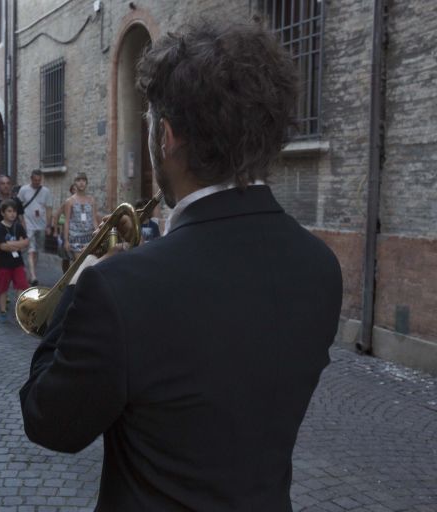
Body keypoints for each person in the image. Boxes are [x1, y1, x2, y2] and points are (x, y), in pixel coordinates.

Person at [20, 20, 343, 510]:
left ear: (166, 138)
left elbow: (49, 421)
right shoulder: (320, 265)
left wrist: (75, 288)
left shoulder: (117, 288)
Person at [0, 200, 29, 323]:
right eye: (9, 211)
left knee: (22, 285)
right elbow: (2, 246)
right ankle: (3, 311)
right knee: (3, 289)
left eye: (14, 211)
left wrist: (10, 243)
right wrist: (18, 244)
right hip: (3, 264)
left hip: (17, 263)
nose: (12, 214)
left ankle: (19, 311)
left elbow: (26, 242)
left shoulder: (18, 226)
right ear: (3, 213)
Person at [0, 174, 24, 283]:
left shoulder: (16, 201)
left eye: (8, 183)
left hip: (13, 239)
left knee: (14, 267)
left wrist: (23, 238)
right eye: (2, 183)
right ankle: (2, 293)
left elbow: (21, 220)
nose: (5, 186)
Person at [17, 170, 53, 286]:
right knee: (31, 250)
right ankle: (33, 276)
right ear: (31, 179)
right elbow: (18, 206)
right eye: (35, 180)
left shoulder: (46, 191)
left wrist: (48, 225)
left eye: (39, 180)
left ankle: (32, 272)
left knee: (37, 250)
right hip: (28, 225)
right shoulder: (23, 190)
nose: (37, 182)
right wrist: (22, 222)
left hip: (41, 225)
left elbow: (48, 209)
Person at [63, 172, 99, 261]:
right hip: (75, 238)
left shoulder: (91, 200)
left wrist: (99, 234)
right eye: (78, 180)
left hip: (89, 237)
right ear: (75, 183)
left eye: (84, 180)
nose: (81, 182)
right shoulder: (70, 201)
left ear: (87, 183)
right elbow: (67, 221)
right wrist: (66, 240)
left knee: (90, 263)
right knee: (79, 265)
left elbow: (94, 219)